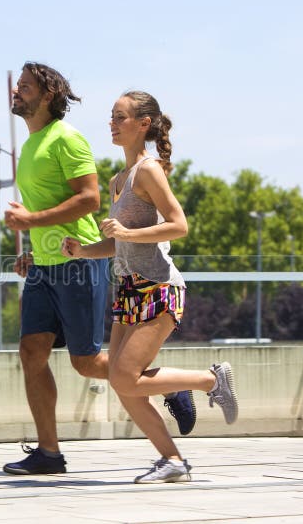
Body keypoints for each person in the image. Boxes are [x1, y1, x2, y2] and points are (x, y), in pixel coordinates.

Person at [2, 63, 195, 476]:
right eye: (17, 86)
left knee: (87, 362)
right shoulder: (35, 145)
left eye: (25, 87)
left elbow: (87, 201)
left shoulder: (67, 140)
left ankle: (169, 383)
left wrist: (33, 223)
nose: (16, 93)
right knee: (31, 352)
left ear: (48, 95)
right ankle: (49, 454)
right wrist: (36, 251)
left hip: (81, 270)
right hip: (50, 265)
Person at [61, 90, 238, 483]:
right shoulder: (118, 180)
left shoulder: (149, 171)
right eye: (111, 117)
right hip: (128, 291)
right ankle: (172, 460)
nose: (112, 123)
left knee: (125, 377)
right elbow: (119, 242)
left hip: (158, 287)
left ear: (144, 124)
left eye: (120, 117)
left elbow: (179, 225)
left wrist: (125, 231)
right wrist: (82, 250)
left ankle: (211, 380)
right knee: (123, 384)